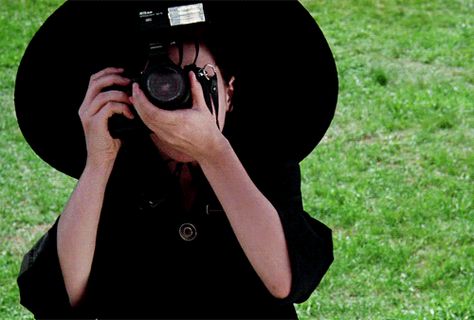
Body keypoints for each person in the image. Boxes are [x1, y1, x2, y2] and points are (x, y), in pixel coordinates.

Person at [15, 1, 338, 319]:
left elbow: (286, 282)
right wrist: (98, 163)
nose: (180, 98)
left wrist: (214, 152)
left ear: (229, 91)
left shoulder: (261, 154)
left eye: (198, 80)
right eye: (162, 84)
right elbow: (59, 296)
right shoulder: (122, 164)